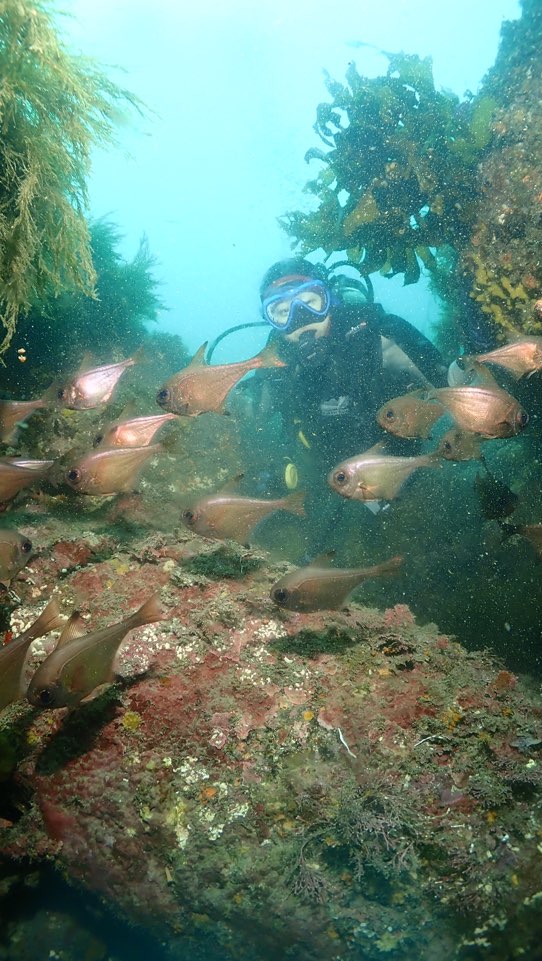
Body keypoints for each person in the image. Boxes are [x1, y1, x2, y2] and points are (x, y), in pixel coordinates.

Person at [233, 257, 448, 557]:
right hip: (325, 471)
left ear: (330, 299)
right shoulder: (277, 362)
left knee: (410, 544)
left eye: (310, 301)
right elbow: (245, 413)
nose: (301, 318)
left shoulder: (376, 335)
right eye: (282, 312)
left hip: (401, 466)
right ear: (272, 323)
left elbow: (449, 385)